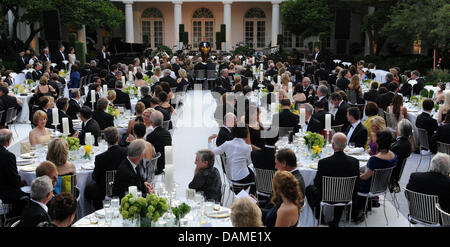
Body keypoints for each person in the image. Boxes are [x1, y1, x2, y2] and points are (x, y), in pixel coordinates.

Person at [305, 133, 360, 227]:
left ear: (333, 145)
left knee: (309, 190)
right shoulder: (354, 162)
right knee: (342, 190)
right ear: (345, 145)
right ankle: (336, 221)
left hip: (326, 197)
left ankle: (321, 220)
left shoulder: (323, 162)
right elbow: (357, 182)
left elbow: (317, 183)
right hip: (347, 195)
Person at [353, 130, 397, 222]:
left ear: (378, 143)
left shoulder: (375, 159)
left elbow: (365, 177)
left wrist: (356, 175)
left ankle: (356, 210)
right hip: (382, 185)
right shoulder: (394, 156)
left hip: (369, 187)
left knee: (351, 181)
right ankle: (365, 206)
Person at [86, 127, 127, 209]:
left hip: (104, 191)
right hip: (122, 188)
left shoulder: (100, 158)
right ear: (118, 138)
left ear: (105, 139)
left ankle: (95, 209)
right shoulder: (126, 152)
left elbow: (95, 178)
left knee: (87, 189)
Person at [208, 124, 255, 194]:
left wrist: (209, 141)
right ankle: (249, 199)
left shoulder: (227, 144)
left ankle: (242, 197)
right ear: (245, 133)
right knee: (258, 180)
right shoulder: (247, 147)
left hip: (231, 178)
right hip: (243, 179)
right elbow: (249, 162)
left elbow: (213, 152)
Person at [0, 129, 28, 217]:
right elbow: (14, 180)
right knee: (33, 194)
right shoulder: (8, 156)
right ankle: (17, 218)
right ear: (8, 141)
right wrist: (23, 181)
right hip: (5, 193)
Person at [145, 111, 172, 175]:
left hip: (156, 166)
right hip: (166, 163)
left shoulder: (150, 136)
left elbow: (149, 153)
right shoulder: (167, 133)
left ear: (151, 122)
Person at [390, 119, 413, 190]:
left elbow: (388, 163)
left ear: (399, 130)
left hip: (390, 175)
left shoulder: (397, 146)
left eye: (396, 126)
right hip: (396, 173)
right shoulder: (407, 143)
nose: (395, 128)